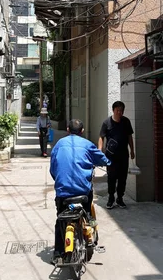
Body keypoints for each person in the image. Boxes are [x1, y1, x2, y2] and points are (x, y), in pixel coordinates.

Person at [49, 119, 110, 263]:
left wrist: (59, 181)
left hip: (63, 193)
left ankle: (58, 254)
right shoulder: (87, 145)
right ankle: (88, 231)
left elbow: (53, 169)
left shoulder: (59, 145)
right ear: (82, 132)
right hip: (82, 192)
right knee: (87, 213)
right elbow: (103, 160)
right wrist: (108, 162)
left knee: (60, 221)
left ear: (68, 130)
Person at [98, 101, 135, 209]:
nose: (119, 112)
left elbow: (129, 137)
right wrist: (100, 150)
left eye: (121, 110)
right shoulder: (107, 123)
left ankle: (120, 198)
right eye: (117, 110)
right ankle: (111, 198)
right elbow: (101, 137)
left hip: (123, 155)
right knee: (111, 177)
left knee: (123, 177)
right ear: (113, 110)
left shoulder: (126, 122)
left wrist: (132, 150)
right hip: (111, 156)